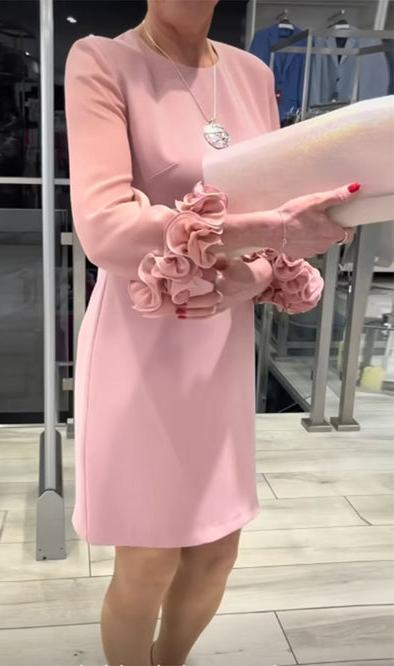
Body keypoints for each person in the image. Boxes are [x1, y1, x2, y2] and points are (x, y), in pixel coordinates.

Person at [64, 1, 359, 664]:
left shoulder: (253, 74)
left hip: (220, 346)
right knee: (147, 558)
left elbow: (277, 204)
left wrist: (258, 270)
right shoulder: (103, 62)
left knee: (216, 549)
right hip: (141, 340)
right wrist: (267, 232)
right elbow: (105, 230)